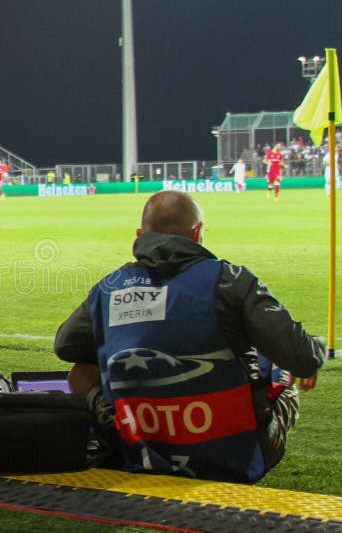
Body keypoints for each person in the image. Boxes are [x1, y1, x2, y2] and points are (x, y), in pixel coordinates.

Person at [54, 190, 325, 483]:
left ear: (140, 234)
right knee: (277, 363)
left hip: (140, 452)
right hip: (232, 458)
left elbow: (66, 345)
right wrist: (314, 349)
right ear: (197, 233)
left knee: (82, 373)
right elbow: (305, 357)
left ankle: (129, 434)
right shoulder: (229, 280)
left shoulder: (109, 288)